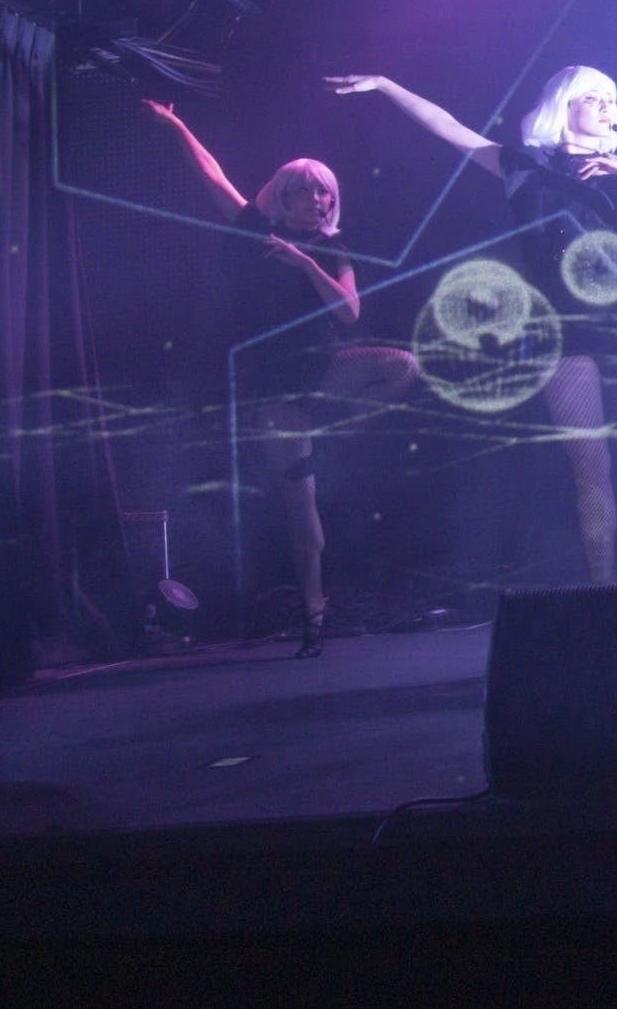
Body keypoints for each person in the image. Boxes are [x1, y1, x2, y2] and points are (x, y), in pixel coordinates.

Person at [323, 68, 617, 585]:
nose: (606, 105)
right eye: (593, 97)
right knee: (592, 470)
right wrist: (387, 85)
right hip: (563, 335)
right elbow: (449, 127)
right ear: (565, 104)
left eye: (611, 97)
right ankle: (604, 591)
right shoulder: (523, 165)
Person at [141, 100, 418, 656]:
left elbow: (349, 313)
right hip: (274, 387)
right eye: (307, 191)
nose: (318, 200)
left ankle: (333, 433)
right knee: (301, 511)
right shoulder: (253, 234)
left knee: (402, 366)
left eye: (325, 193)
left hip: (325, 370)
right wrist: (176, 124)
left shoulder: (333, 248)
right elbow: (212, 176)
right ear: (285, 195)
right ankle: (314, 616)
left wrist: (306, 263)